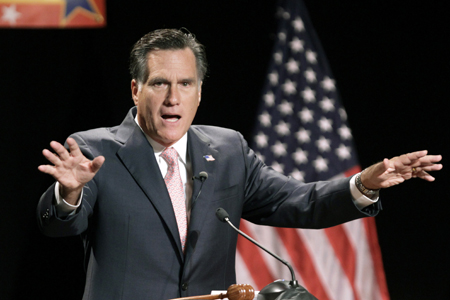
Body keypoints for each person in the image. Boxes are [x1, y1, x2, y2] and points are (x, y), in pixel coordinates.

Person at [37, 29, 442, 300]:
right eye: (160, 83)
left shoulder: (228, 149)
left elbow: (299, 202)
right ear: (136, 88)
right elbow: (59, 224)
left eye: (186, 84)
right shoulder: (93, 150)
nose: (173, 97)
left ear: (199, 92)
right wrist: (69, 193)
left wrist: (363, 185)